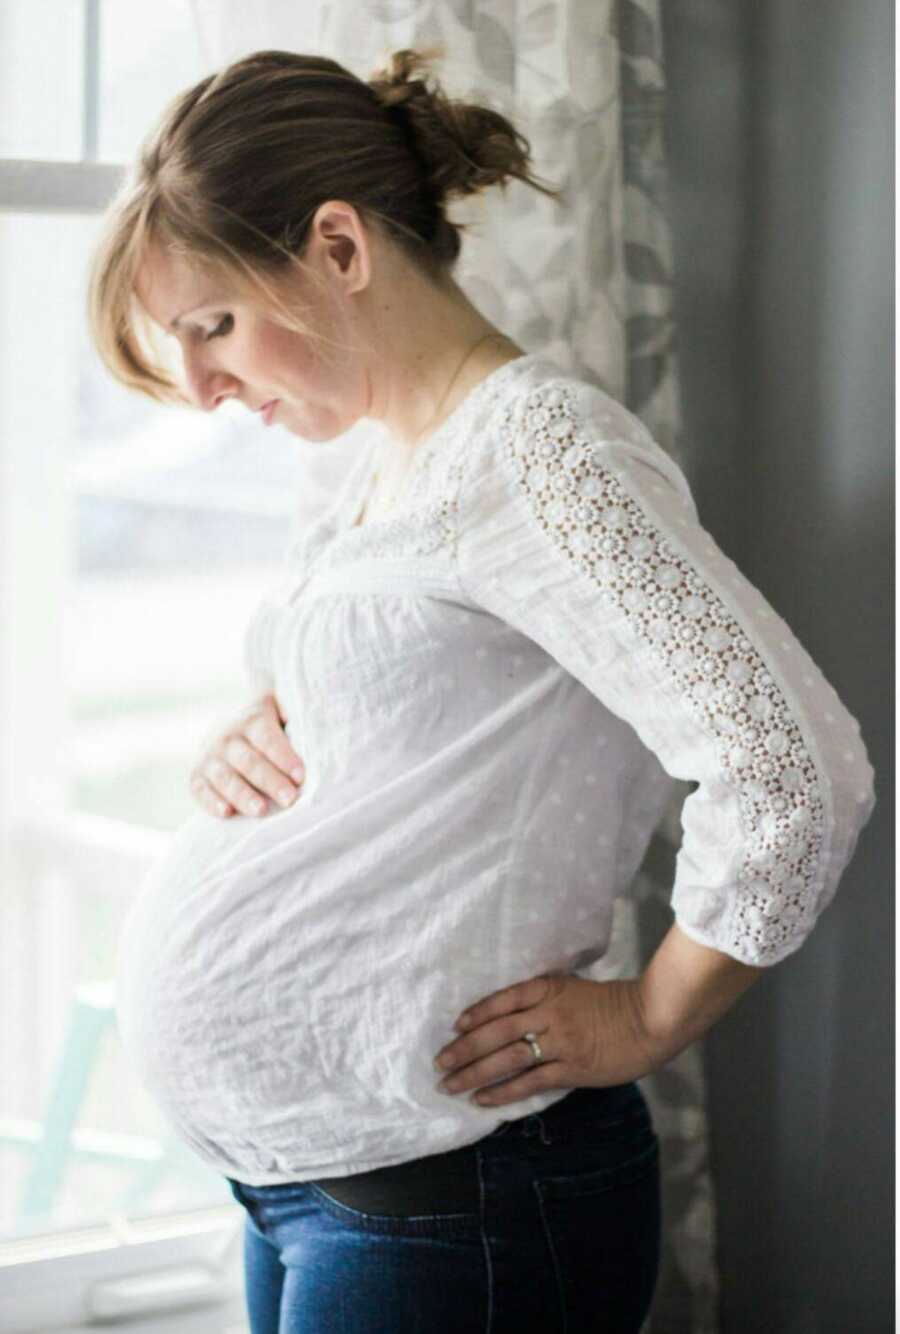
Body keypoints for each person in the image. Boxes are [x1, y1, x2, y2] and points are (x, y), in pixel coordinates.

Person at [87, 46, 876, 1334]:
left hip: (466, 1198)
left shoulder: (542, 452)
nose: (203, 388)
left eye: (212, 325)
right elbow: (413, 722)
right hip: (322, 1188)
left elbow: (791, 767)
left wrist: (650, 1012)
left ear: (339, 246)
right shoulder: (381, 463)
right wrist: (255, 730)